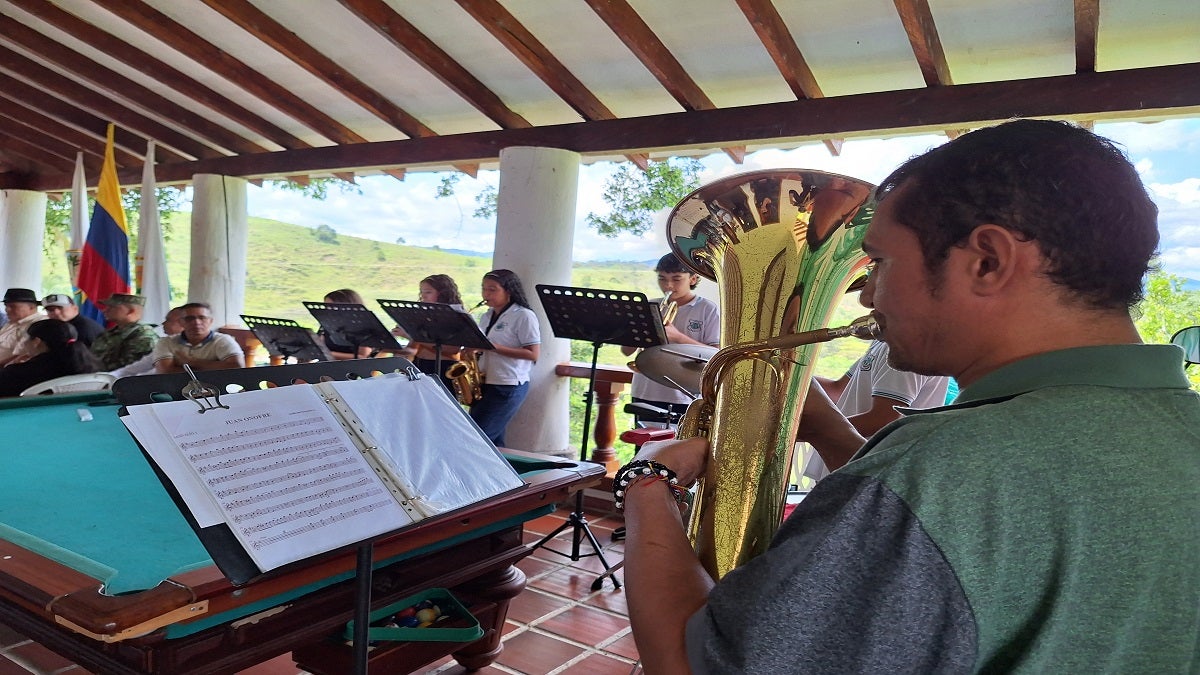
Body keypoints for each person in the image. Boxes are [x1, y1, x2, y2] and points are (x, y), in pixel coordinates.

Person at [620, 119, 1199, 673]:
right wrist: (828, 430)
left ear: (987, 261)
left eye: (881, 263)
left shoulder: (941, 469)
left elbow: (689, 660)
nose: (868, 294)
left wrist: (648, 485)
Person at [800, 339, 951, 478]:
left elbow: (882, 419)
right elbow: (838, 389)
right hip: (849, 466)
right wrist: (797, 379)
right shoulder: (882, 341)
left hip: (868, 473)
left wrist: (816, 429)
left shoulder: (907, 347)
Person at [620, 254, 720, 425]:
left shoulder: (708, 310)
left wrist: (678, 337)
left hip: (684, 393)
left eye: (676, 279)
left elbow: (715, 354)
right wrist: (638, 329)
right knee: (644, 447)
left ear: (693, 279)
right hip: (645, 389)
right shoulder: (650, 305)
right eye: (662, 278)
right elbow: (626, 351)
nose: (668, 285)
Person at [469, 269, 540, 446]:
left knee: (479, 439)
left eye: (492, 289)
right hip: (485, 383)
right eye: (484, 289)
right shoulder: (486, 316)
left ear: (508, 291)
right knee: (495, 442)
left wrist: (492, 347)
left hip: (507, 384)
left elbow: (533, 354)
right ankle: (501, 473)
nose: (486, 294)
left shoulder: (524, 315)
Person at [396, 274, 466, 393]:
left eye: (428, 292)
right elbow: (413, 347)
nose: (423, 295)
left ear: (443, 294)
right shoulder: (424, 315)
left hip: (443, 367)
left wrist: (411, 335)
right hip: (420, 364)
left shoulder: (454, 316)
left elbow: (452, 350)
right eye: (421, 291)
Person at [0, 320, 101, 397]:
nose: (24, 344)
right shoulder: (91, 367)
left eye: (26, 340)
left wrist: (10, 368)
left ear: (36, 342)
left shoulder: (17, 373)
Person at [151, 302, 245, 373]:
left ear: (210, 321)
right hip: (175, 388)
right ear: (181, 322)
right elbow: (166, 371)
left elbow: (237, 366)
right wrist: (215, 367)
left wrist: (191, 362)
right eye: (189, 318)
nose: (196, 322)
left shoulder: (222, 340)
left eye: (202, 318)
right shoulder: (166, 342)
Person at [110, 306, 186, 378]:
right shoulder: (166, 344)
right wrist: (106, 377)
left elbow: (155, 375)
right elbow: (137, 367)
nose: (163, 323)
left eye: (168, 320)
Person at [90, 294, 159, 370]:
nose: (105, 310)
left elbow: (133, 368)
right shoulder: (110, 333)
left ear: (130, 311)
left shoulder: (144, 337)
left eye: (112, 307)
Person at [320, 288, 375, 360]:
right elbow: (321, 347)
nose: (328, 310)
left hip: (352, 368)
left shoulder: (362, 326)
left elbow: (363, 356)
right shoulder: (328, 324)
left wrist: (328, 354)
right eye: (326, 307)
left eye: (332, 307)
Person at [0, 288, 46, 366]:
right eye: (6, 306)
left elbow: (23, 354)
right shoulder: (11, 323)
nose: (7, 309)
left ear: (31, 307)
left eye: (13, 306)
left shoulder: (39, 324)